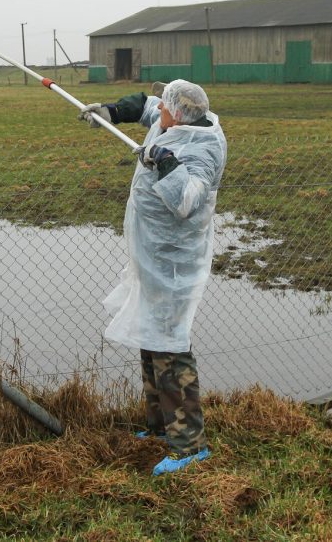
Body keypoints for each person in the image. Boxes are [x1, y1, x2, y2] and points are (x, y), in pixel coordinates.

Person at [79, 80, 227, 476]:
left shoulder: (204, 146)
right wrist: (111, 110)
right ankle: (161, 428)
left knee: (169, 349)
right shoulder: (170, 119)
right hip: (149, 255)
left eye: (164, 108)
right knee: (150, 340)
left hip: (173, 263)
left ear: (178, 114)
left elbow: (187, 202)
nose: (156, 111)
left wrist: (165, 163)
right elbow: (143, 106)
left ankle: (190, 445)